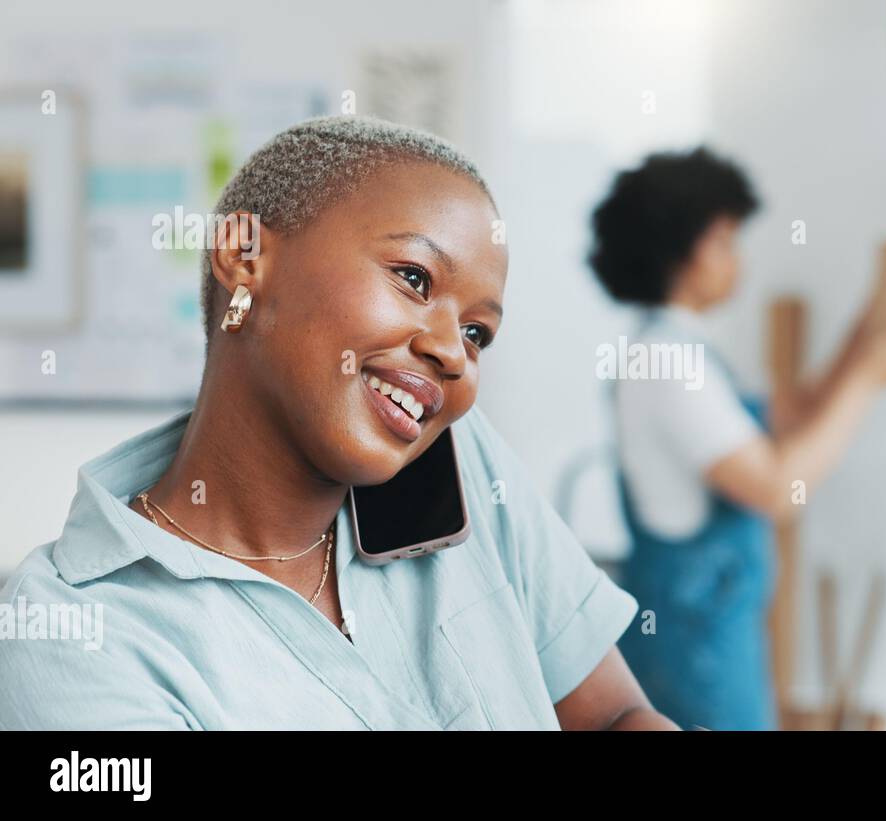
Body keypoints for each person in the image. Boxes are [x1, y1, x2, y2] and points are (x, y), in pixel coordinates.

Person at [0, 116, 677, 730]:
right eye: (414, 277)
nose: (451, 350)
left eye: (477, 332)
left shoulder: (465, 469)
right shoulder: (69, 634)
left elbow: (613, 713)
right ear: (244, 259)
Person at [588, 147, 886, 730]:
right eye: (724, 244)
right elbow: (777, 487)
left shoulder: (681, 351)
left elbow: (792, 413)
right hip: (693, 654)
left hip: (716, 640)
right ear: (680, 253)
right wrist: (871, 376)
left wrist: (865, 335)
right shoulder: (665, 363)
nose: (736, 261)